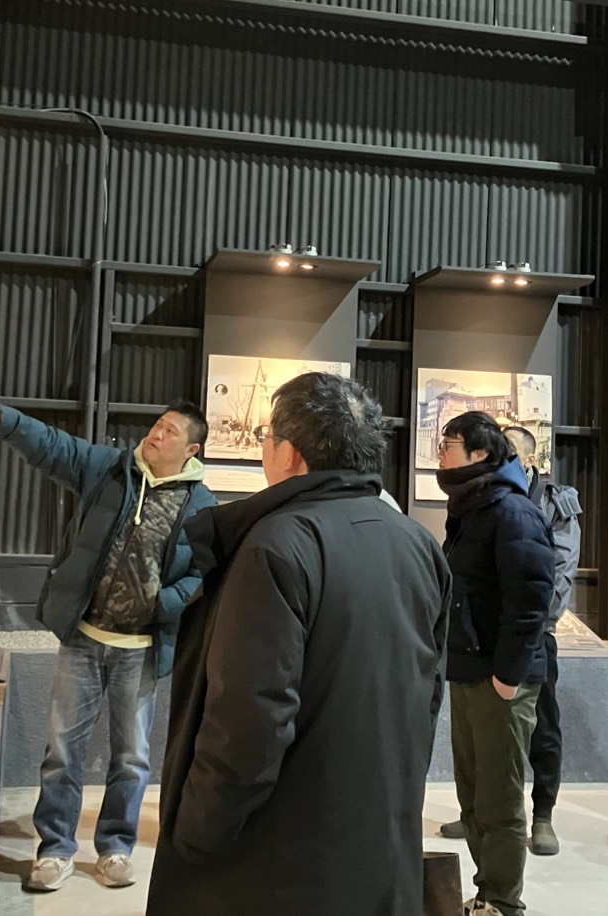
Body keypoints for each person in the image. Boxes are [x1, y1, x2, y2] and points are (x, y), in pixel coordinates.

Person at [147, 372, 450, 916]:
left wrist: (195, 829)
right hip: (375, 831)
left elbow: (250, 719)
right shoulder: (416, 542)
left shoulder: (277, 544)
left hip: (280, 856)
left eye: (267, 437)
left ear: (288, 455)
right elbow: (428, 693)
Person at [0, 392, 216, 892]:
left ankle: (115, 848)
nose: (157, 435)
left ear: (191, 450)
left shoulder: (201, 506)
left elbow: (202, 574)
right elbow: (54, 447)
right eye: (157, 425)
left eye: (170, 432)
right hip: (83, 640)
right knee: (62, 752)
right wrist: (3, 421)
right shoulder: (111, 470)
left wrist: (165, 602)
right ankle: (54, 850)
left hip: (140, 650)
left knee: (132, 757)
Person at [441, 426, 581, 856]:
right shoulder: (472, 506)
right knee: (482, 759)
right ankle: (477, 818)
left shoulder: (539, 506)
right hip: (480, 651)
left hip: (531, 642)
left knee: (542, 732)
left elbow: (551, 579)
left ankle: (542, 816)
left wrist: (516, 657)